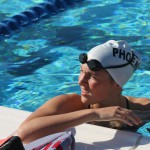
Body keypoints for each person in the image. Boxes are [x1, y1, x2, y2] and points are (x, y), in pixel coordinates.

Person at [15, 40, 150, 144]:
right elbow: (23, 135)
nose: (80, 81)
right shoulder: (69, 104)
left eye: (92, 76)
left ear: (116, 83)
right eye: (81, 71)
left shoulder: (142, 109)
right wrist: (95, 114)